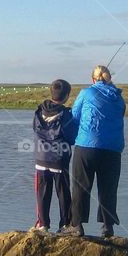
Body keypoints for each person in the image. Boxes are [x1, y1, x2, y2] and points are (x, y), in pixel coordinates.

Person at [60, 65, 126, 238]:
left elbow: (74, 116)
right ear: (109, 78)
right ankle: (107, 227)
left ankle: (77, 226)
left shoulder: (86, 93)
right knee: (108, 188)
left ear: (93, 79)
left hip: (87, 146)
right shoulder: (119, 98)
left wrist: (69, 137)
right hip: (113, 149)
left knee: (81, 186)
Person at [31, 79, 78, 232]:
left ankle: (43, 224)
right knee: (63, 192)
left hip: (41, 157)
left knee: (42, 192)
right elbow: (71, 137)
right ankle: (65, 224)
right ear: (66, 96)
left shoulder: (38, 111)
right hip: (59, 159)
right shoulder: (66, 114)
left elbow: (35, 130)